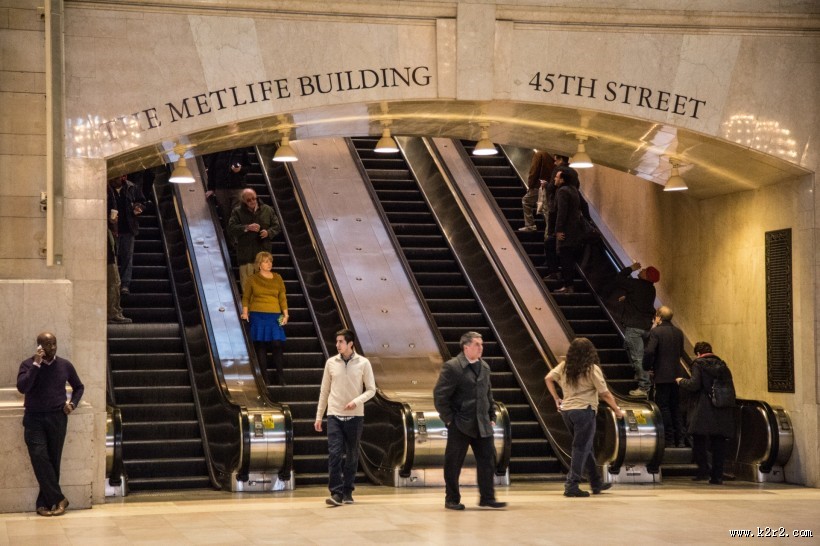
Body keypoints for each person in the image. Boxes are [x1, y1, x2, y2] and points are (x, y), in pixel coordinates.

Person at [433, 331, 506, 510]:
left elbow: (488, 394)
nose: (481, 347)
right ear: (466, 347)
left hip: (482, 424)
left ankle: (487, 498)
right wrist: (449, 419)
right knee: (453, 462)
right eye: (477, 344)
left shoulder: (485, 367)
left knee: (488, 460)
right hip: (461, 423)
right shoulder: (453, 367)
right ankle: (452, 499)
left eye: (481, 344)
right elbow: (440, 396)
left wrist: (491, 415)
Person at [546, 337, 625, 497]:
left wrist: (556, 398)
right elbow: (605, 393)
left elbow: (548, 378)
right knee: (580, 447)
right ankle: (572, 484)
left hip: (567, 412)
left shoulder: (564, 366)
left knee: (585, 446)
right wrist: (617, 410)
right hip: (584, 411)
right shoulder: (591, 368)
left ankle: (596, 483)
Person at [16, 332, 84, 517]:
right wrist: (36, 365)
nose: (52, 348)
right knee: (39, 456)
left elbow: (79, 387)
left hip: (57, 418)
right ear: (39, 346)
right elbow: (23, 387)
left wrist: (72, 404)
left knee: (53, 461)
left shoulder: (65, 365)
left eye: (54, 344)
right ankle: (60, 499)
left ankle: (44, 503)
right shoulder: (28, 365)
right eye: (47, 344)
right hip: (34, 419)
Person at [314, 329, 376, 507]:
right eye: (337, 342)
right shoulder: (330, 363)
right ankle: (336, 492)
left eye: (341, 342)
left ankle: (348, 490)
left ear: (350, 344)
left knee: (352, 455)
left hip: (355, 416)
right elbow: (324, 390)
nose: (337, 345)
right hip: (334, 414)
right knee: (334, 454)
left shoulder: (363, 363)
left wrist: (356, 402)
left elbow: (371, 389)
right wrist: (319, 416)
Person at [677, 341, 735, 484]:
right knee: (718, 442)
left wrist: (681, 381)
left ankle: (703, 471)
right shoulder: (722, 365)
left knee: (699, 439)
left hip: (703, 408)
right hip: (721, 408)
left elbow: (694, 384)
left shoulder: (699, 364)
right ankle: (717, 476)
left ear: (698, 353)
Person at [613, 261, 659, 397]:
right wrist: (627, 299)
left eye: (645, 270)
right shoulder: (651, 289)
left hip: (634, 327)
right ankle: (639, 373)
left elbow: (618, 279)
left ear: (647, 276)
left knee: (637, 357)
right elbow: (640, 300)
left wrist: (630, 269)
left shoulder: (636, 284)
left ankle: (644, 387)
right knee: (628, 347)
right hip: (645, 327)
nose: (642, 269)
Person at [241, 251, 288, 385]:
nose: (269, 264)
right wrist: (245, 312)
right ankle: (264, 377)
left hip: (275, 315)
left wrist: (286, 314)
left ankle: (280, 376)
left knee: (277, 343)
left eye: (270, 261)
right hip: (258, 315)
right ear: (259, 264)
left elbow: (282, 297)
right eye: (266, 261)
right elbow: (246, 297)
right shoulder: (252, 279)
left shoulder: (278, 278)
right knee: (260, 344)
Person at [643, 306, 685, 447]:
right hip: (677, 376)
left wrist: (647, 367)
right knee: (675, 407)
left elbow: (649, 351)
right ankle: (681, 439)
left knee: (663, 406)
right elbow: (680, 353)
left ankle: (669, 439)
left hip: (662, 376)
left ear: (658, 317)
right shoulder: (679, 332)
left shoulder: (656, 332)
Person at [227, 188, 281, 290]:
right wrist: (246, 227)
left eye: (253, 198)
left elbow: (277, 226)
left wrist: (268, 232)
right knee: (247, 288)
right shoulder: (237, 212)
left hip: (263, 254)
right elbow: (231, 229)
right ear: (243, 201)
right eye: (248, 200)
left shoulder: (267, 210)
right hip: (246, 256)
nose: (252, 201)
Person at [108, 174, 147, 295]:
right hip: (112, 230)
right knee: (112, 258)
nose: (114, 180)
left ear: (123, 178)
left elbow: (141, 202)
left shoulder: (132, 187)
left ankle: (125, 284)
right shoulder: (106, 189)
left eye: (116, 178)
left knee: (127, 257)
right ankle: (114, 284)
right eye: (112, 178)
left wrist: (138, 207)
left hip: (128, 229)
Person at [204, 149, 251, 234]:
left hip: (238, 188)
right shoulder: (217, 149)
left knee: (236, 215)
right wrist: (211, 188)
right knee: (225, 216)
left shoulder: (241, 149)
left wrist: (240, 169)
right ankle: (231, 242)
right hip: (221, 188)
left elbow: (248, 167)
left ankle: (238, 240)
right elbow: (211, 169)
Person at [553, 167, 584, 293]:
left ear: (562, 180)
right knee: (568, 258)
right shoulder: (574, 190)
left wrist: (558, 230)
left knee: (565, 257)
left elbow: (562, 212)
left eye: (557, 177)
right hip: (574, 230)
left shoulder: (562, 191)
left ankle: (568, 285)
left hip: (566, 230)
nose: (555, 178)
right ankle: (568, 284)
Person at [520, 150, 555, 232]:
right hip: (548, 185)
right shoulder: (550, 155)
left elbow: (534, 170)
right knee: (546, 209)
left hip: (537, 186)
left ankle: (530, 225)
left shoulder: (539, 154)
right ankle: (550, 230)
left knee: (526, 201)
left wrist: (530, 185)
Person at [107, 225, 131, 324]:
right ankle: (113, 313)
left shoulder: (108, 230)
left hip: (111, 256)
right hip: (109, 258)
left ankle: (115, 311)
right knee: (114, 283)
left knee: (116, 282)